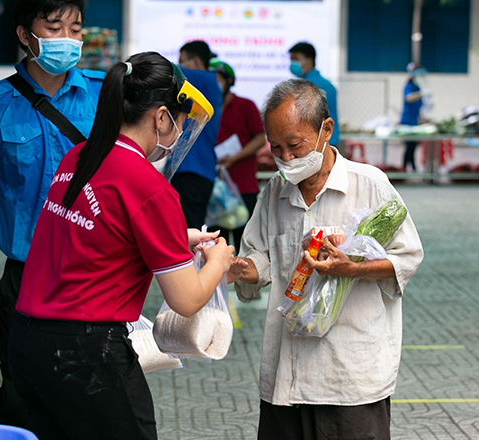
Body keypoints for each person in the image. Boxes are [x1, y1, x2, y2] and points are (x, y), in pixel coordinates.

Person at [9, 52, 241, 440]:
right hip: (86, 355)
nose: (178, 135)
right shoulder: (149, 185)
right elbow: (185, 300)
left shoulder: (79, 156)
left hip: (29, 345)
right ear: (162, 117)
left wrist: (174, 238)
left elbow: (94, 233)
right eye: (181, 125)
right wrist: (218, 259)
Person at [228, 79, 423, 440]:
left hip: (349, 375)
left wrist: (353, 269)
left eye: (295, 145)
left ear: (326, 130)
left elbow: (407, 258)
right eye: (276, 148)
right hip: (288, 372)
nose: (286, 158)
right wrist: (243, 268)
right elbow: (259, 257)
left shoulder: (370, 185)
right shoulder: (275, 191)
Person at [0, 0, 105, 428]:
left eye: (75, 28)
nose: (67, 39)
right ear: (24, 34)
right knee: (24, 395)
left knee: (91, 397)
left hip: (94, 275)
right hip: (26, 278)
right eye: (54, 26)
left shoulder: (104, 94)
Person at [208, 59, 266, 252]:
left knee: (246, 242)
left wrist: (235, 158)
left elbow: (260, 138)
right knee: (217, 244)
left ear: (229, 81)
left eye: (217, 79)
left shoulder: (246, 105)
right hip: (216, 188)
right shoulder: (207, 109)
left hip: (243, 185)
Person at [171, 40, 223, 228]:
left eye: (183, 61)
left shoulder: (204, 79)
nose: (180, 65)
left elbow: (168, 70)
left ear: (197, 62)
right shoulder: (207, 84)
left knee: (186, 231)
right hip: (196, 170)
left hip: (192, 171)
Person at [289, 42, 340, 152]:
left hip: (317, 145)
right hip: (330, 140)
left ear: (309, 60)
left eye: (296, 59)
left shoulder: (307, 86)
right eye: (292, 59)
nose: (292, 63)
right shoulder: (327, 84)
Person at [400, 62, 424, 172]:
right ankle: (405, 168)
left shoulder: (417, 87)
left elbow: (418, 106)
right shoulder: (409, 86)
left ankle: (412, 167)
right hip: (407, 121)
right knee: (409, 146)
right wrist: (421, 94)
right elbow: (409, 98)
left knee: (413, 146)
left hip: (414, 120)